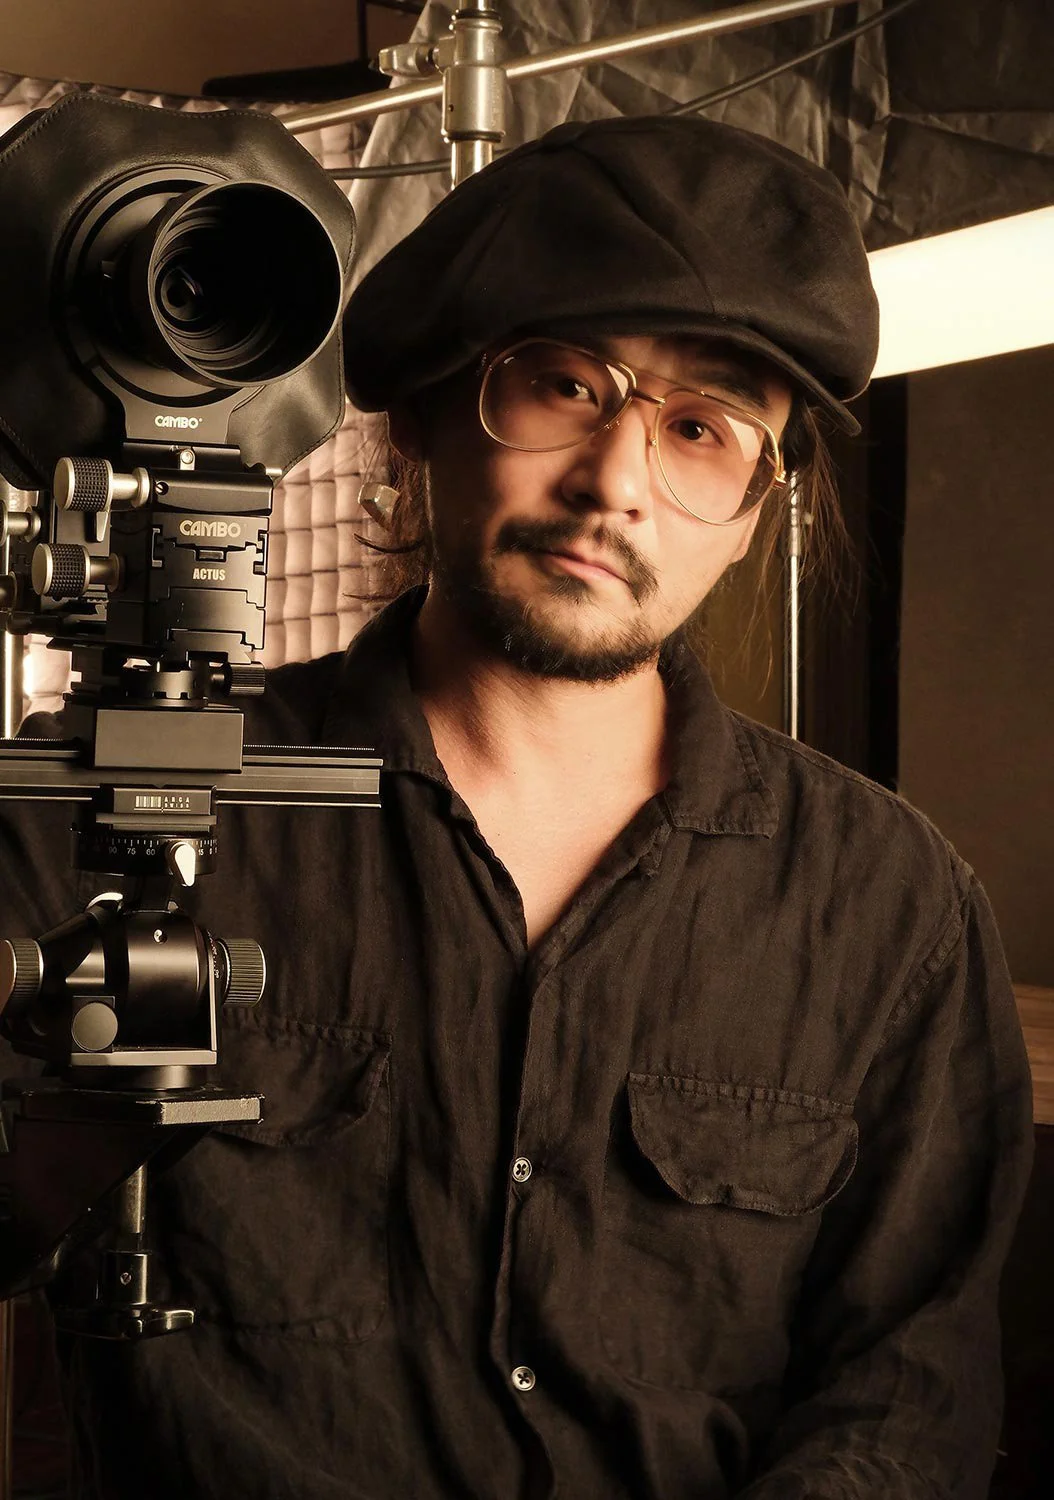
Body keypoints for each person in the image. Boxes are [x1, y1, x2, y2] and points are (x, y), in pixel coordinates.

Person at [0, 115, 1033, 1500]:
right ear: (418, 410)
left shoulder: (885, 908)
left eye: (701, 430)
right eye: (560, 385)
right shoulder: (98, 815)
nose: (614, 486)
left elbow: (911, 1395)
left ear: (756, 509)